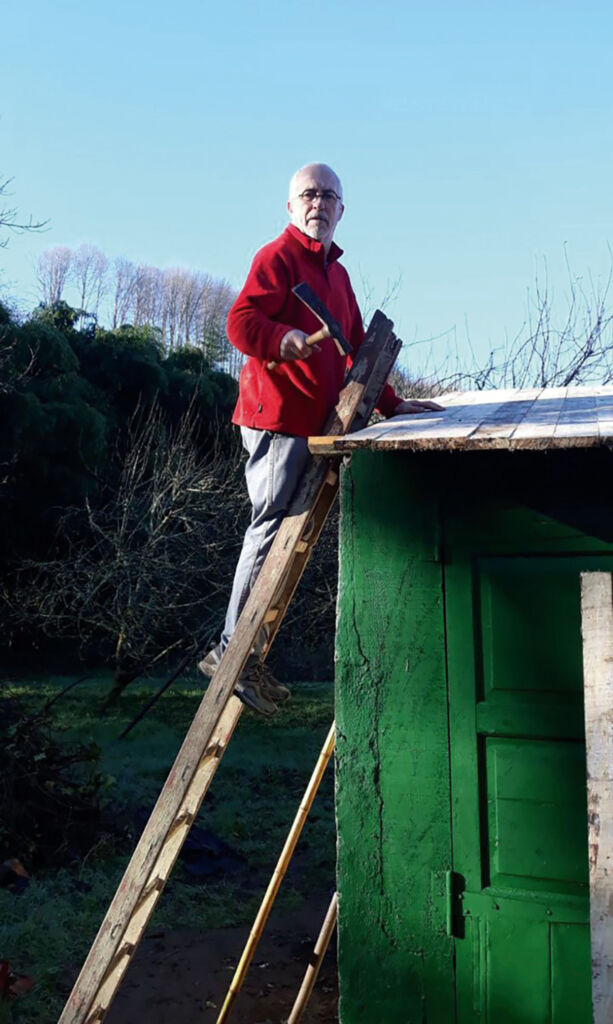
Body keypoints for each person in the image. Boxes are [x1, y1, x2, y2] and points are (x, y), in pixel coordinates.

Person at [198, 163, 443, 715]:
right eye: (309, 194)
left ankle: (248, 657)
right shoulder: (277, 257)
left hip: (317, 427)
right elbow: (240, 321)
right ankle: (227, 655)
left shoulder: (339, 278)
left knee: (285, 545)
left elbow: (356, 349)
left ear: (341, 209)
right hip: (275, 419)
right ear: (291, 207)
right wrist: (280, 337)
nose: (319, 203)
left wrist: (395, 404)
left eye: (329, 195)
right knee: (266, 532)